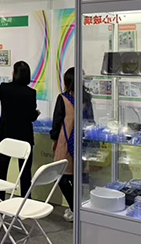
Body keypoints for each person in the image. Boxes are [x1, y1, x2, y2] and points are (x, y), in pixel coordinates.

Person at [0, 61, 40, 202]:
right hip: (25, 135)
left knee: (2, 168)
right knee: (25, 171)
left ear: (14, 73)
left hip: (6, 134)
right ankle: (25, 201)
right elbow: (31, 116)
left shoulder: (5, 88)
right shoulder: (31, 93)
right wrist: (36, 113)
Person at [51, 67, 94, 222]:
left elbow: (57, 122)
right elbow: (91, 121)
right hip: (82, 142)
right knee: (77, 177)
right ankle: (77, 208)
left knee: (60, 175)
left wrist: (54, 138)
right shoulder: (86, 99)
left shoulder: (63, 98)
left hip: (65, 141)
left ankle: (75, 209)